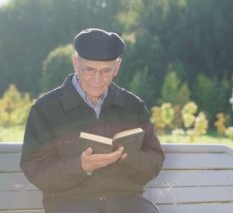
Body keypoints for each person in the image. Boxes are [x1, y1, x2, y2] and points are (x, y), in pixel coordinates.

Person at [20, 28, 165, 213]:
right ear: (75, 63)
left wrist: (127, 156)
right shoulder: (45, 109)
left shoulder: (133, 106)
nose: (97, 80)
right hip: (70, 204)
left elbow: (154, 160)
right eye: (89, 70)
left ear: (117, 67)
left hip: (126, 203)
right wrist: (80, 166)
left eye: (106, 71)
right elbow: (35, 167)